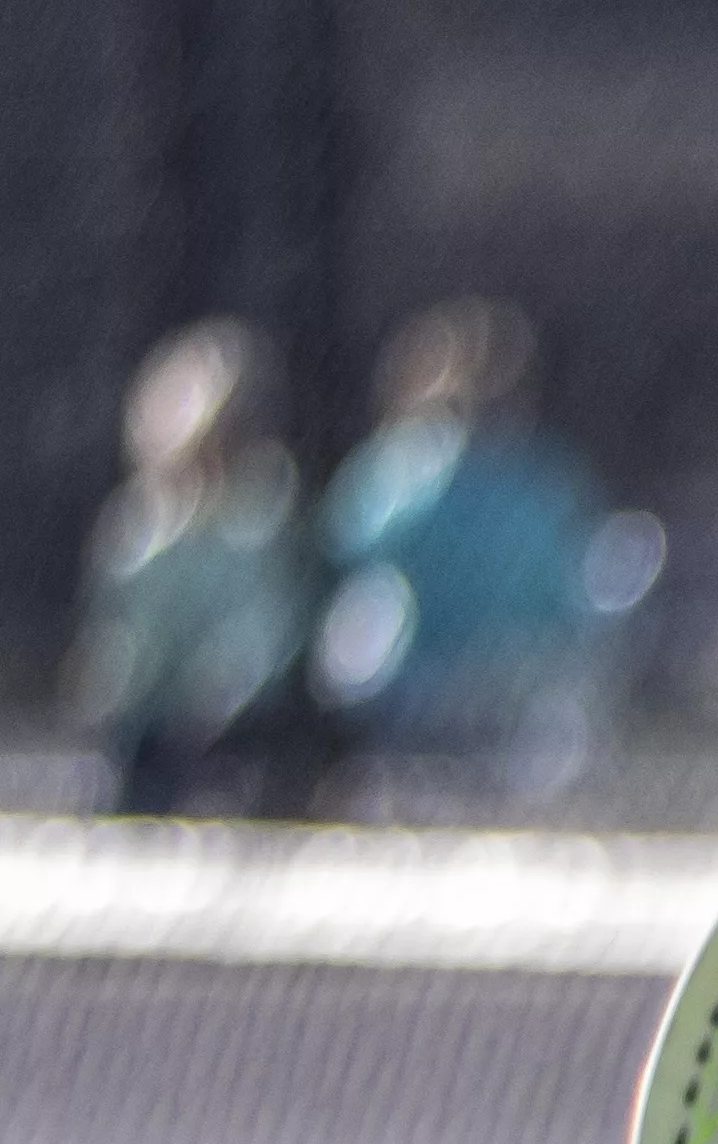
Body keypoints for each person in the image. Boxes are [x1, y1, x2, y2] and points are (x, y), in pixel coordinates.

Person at [313, 298, 646, 785]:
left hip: (496, 670)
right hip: (453, 672)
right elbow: (348, 547)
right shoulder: (410, 469)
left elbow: (571, 572)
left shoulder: (532, 475)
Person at [70, 319, 318, 815]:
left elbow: (274, 626)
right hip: (156, 720)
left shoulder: (266, 515)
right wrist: (125, 684)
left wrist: (221, 687)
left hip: (244, 716)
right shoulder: (140, 526)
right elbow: (124, 631)